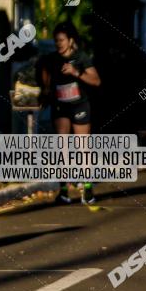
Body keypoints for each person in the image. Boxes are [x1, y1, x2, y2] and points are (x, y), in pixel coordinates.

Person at [40, 21, 101, 204]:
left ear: (70, 40)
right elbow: (44, 70)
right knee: (62, 147)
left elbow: (96, 81)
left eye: (61, 40)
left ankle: (88, 189)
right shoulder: (52, 59)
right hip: (60, 106)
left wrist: (76, 72)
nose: (58, 43)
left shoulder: (81, 57)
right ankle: (64, 190)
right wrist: (46, 88)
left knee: (83, 147)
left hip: (79, 106)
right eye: (56, 40)